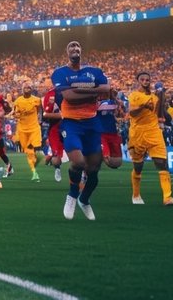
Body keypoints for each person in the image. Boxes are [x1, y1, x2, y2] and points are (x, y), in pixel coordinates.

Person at [52, 40, 113, 221]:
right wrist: (93, 90)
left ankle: (84, 200)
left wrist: (79, 88)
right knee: (78, 163)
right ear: (67, 52)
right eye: (71, 46)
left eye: (78, 46)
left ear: (81, 51)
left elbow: (107, 89)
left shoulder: (94, 71)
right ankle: (72, 195)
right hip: (71, 123)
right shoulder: (60, 73)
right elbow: (69, 97)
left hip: (92, 123)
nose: (75, 49)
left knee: (94, 170)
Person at [128, 72, 173, 206]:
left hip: (154, 132)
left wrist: (162, 97)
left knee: (162, 163)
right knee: (138, 166)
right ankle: (136, 195)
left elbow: (159, 114)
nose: (145, 81)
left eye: (147, 79)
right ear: (138, 81)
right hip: (138, 133)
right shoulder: (134, 95)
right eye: (142, 79)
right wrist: (143, 106)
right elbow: (132, 113)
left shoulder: (154, 97)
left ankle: (167, 198)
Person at [13, 81, 44, 181]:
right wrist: (15, 115)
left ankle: (38, 156)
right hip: (22, 130)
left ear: (32, 89)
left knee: (37, 149)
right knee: (29, 152)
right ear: (22, 89)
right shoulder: (18, 101)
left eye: (29, 87)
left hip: (34, 128)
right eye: (25, 87)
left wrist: (39, 119)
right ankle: (34, 172)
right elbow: (14, 113)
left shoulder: (37, 100)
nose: (27, 88)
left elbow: (40, 110)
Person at [97, 93, 125, 170]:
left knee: (116, 163)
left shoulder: (118, 103)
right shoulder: (98, 103)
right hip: (101, 134)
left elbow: (123, 115)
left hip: (114, 133)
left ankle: (96, 157)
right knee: (106, 160)